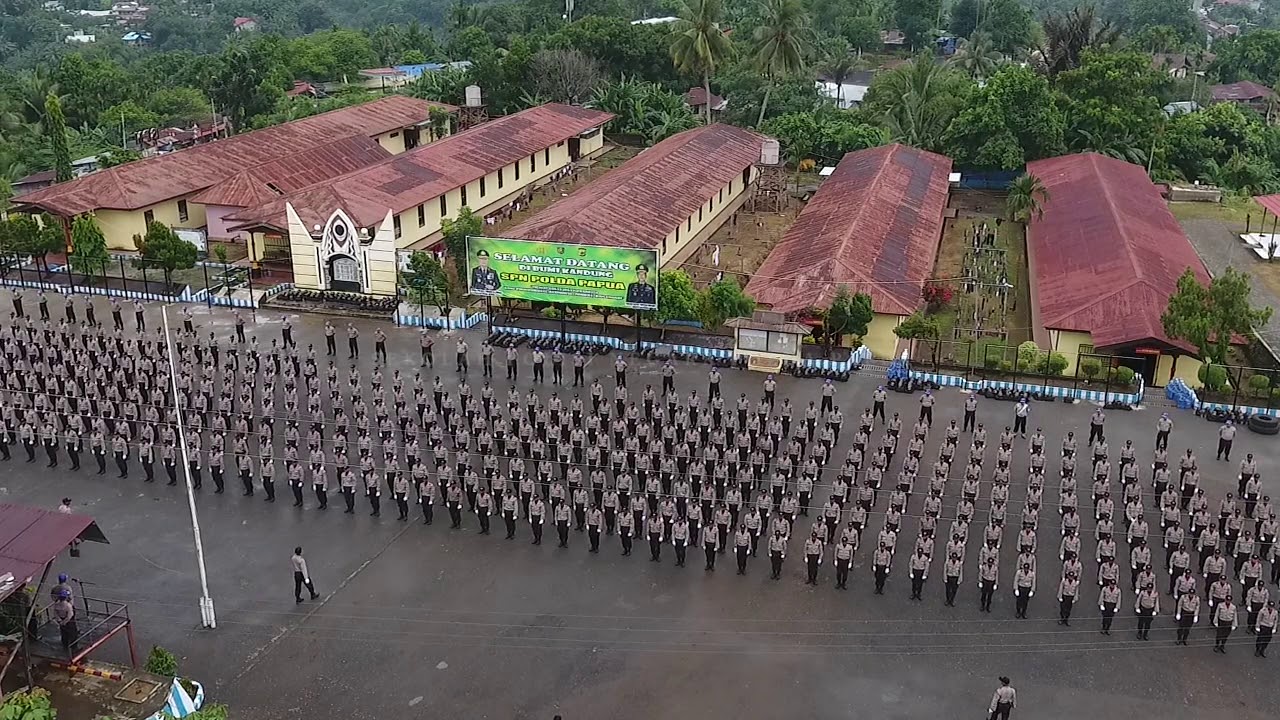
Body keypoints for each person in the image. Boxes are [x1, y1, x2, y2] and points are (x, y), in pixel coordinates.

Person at [51, 589, 78, 653]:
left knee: (64, 633)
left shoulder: (56, 605)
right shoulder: (68, 606)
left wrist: (60, 621)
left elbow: (55, 613)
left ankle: (65, 645)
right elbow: (70, 615)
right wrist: (65, 622)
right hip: (68, 621)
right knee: (73, 633)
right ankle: (73, 647)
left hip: (61, 619)